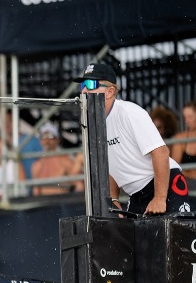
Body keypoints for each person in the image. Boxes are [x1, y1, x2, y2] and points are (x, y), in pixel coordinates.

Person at [75, 62, 191, 215]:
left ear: (110, 91)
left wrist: (160, 198)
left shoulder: (129, 113)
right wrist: (114, 200)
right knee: (128, 238)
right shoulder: (93, 125)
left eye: (90, 84)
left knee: (176, 238)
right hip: (136, 194)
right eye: (82, 84)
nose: (83, 90)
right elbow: (110, 166)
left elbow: (161, 152)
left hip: (165, 184)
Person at [30, 123, 82, 196]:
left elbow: (79, 185)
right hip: (43, 204)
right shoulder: (36, 165)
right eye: (43, 136)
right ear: (40, 140)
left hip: (61, 204)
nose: (47, 140)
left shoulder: (64, 160)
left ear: (57, 140)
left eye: (51, 136)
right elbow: (36, 191)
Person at [171, 101, 196, 180]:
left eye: (190, 117)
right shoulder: (180, 138)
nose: (186, 121)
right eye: (185, 117)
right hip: (187, 183)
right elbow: (175, 168)